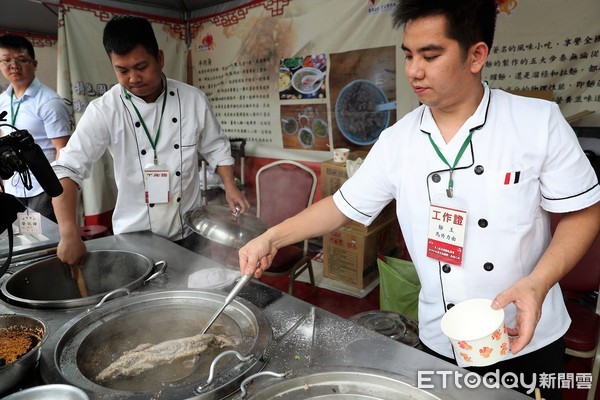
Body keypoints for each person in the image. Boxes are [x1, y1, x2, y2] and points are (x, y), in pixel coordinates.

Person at [239, 1, 600, 398]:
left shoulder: (538, 122)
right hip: (440, 337)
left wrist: (538, 283)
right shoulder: (398, 140)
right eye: (409, 55)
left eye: (431, 55)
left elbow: (583, 214)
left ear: (476, 55)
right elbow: (342, 205)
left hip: (524, 332)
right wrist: (272, 237)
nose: (413, 70)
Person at [52, 15, 249, 267]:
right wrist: (68, 233)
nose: (133, 78)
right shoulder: (104, 110)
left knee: (194, 298)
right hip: (135, 240)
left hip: (189, 232)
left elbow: (216, 147)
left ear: (160, 58)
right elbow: (68, 168)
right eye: (122, 70)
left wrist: (230, 186)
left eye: (141, 67)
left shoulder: (193, 99)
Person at [0, 34, 72, 222]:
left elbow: (62, 150)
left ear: (35, 63)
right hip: (12, 186)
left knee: (45, 240)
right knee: (21, 239)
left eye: (21, 60)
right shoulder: (3, 100)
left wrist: (56, 193)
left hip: (42, 188)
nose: (13, 66)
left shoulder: (50, 102)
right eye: (6, 60)